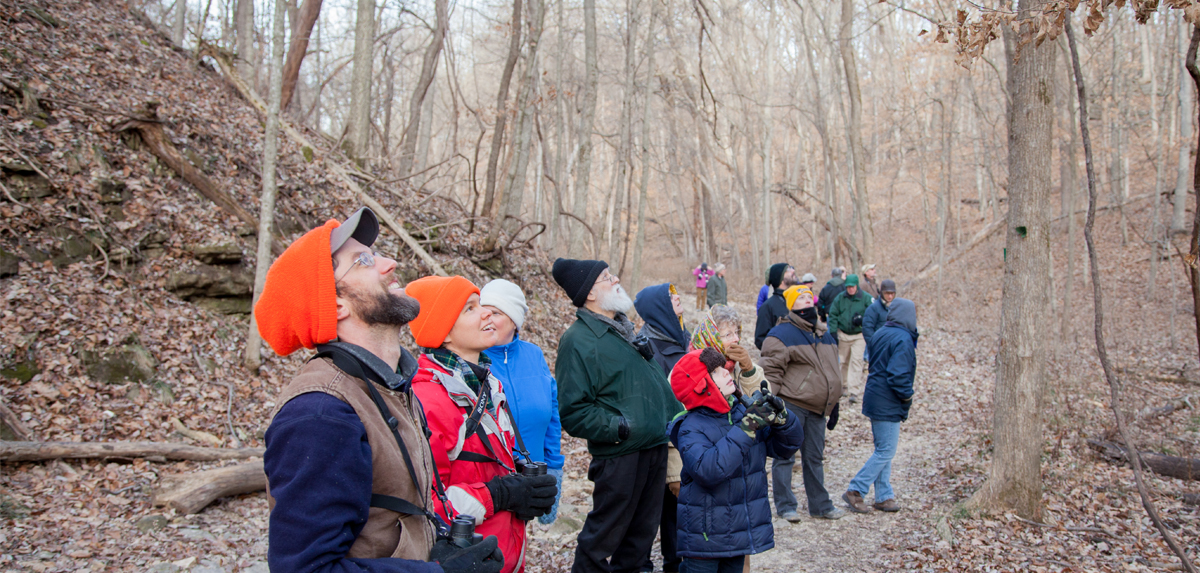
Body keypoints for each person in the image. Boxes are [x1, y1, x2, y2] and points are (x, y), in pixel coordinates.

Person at [255, 207, 503, 573]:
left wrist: (447, 548)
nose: (389, 263)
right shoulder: (321, 414)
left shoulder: (390, 385)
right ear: (335, 303)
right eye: (364, 260)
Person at [405, 275, 559, 573]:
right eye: (471, 308)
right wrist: (500, 494)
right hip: (469, 561)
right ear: (444, 332)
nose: (487, 312)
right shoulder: (427, 399)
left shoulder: (486, 384)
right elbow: (425, 508)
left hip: (502, 554)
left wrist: (525, 489)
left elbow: (488, 467)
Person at [551, 258, 683, 573]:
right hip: (620, 456)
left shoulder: (625, 330)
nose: (616, 279)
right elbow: (573, 411)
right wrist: (620, 427)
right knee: (601, 542)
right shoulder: (578, 341)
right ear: (590, 294)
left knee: (639, 542)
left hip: (654, 449)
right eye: (607, 277)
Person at [666, 348, 804, 573]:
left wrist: (783, 419)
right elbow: (709, 470)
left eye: (725, 367)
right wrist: (748, 427)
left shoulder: (740, 412)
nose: (728, 372)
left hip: (737, 531)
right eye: (718, 371)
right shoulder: (690, 427)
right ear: (702, 385)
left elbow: (784, 449)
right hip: (705, 537)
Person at [480, 279, 566, 525]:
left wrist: (553, 467)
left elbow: (551, 415)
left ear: (514, 320)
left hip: (531, 476)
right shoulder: (472, 359)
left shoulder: (533, 354)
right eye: (483, 311)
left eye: (495, 312)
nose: (486, 318)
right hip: (491, 482)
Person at [759, 285, 845, 522]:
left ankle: (821, 505)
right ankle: (786, 506)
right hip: (792, 404)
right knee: (785, 457)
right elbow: (771, 372)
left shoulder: (824, 334)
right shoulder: (781, 335)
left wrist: (834, 402)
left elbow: (833, 371)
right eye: (801, 298)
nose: (807, 300)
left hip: (818, 408)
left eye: (810, 296)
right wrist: (769, 403)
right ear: (791, 305)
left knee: (815, 457)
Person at [633, 282, 690, 573]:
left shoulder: (682, 336)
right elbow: (656, 404)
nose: (677, 298)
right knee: (662, 513)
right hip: (663, 444)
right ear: (658, 307)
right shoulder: (647, 347)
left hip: (690, 439)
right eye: (670, 296)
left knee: (679, 515)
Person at [842, 299, 918, 514]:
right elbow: (898, 375)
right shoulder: (903, 339)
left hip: (876, 395)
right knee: (886, 450)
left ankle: (884, 495)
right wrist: (906, 397)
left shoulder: (881, 333)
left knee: (883, 448)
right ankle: (856, 489)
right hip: (888, 399)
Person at [827, 274, 873, 399]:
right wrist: (833, 332)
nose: (850, 289)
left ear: (857, 286)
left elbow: (873, 314)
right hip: (843, 334)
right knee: (843, 361)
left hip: (859, 335)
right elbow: (833, 314)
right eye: (848, 287)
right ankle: (844, 385)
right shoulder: (840, 298)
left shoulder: (866, 298)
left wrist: (862, 321)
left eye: (852, 287)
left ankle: (854, 390)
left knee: (857, 361)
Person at [754, 263, 792, 350]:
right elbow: (760, 340)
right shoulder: (768, 307)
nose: (793, 271)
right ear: (781, 279)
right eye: (788, 270)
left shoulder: (797, 303)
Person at [862, 279, 897, 346]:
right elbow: (867, 328)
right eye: (887, 293)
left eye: (892, 294)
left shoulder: (896, 307)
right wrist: (874, 345)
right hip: (878, 345)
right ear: (882, 293)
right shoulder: (873, 308)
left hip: (893, 345)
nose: (890, 296)